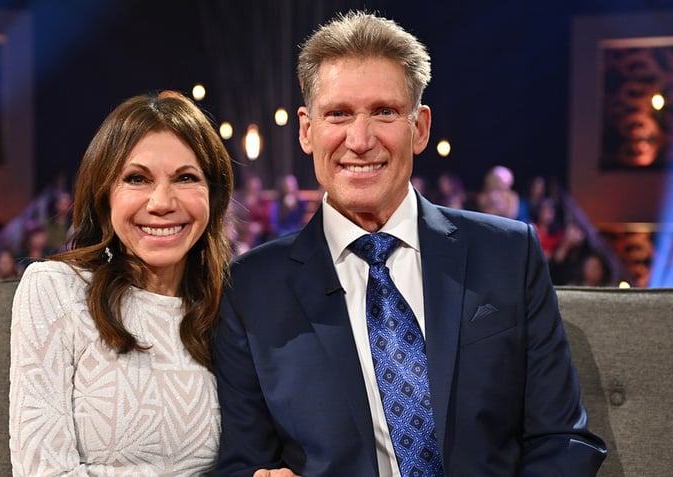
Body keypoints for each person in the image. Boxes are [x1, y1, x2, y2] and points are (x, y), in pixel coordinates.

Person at [213, 11, 607, 476]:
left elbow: (561, 437)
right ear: (306, 129)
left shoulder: (508, 253)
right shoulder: (250, 288)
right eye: (338, 114)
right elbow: (242, 462)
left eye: (384, 112)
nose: (359, 141)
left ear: (419, 127)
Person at [8, 91, 234, 476]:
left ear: (212, 195)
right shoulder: (55, 290)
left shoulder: (230, 305)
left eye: (186, 178)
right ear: (105, 196)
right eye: (136, 179)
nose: (162, 201)